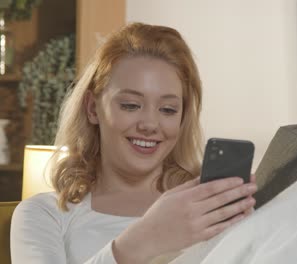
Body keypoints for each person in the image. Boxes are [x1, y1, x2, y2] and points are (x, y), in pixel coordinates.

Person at [10, 23, 258, 264]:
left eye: (168, 109)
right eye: (130, 105)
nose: (150, 124)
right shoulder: (43, 215)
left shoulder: (211, 210)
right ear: (92, 108)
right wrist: (144, 239)